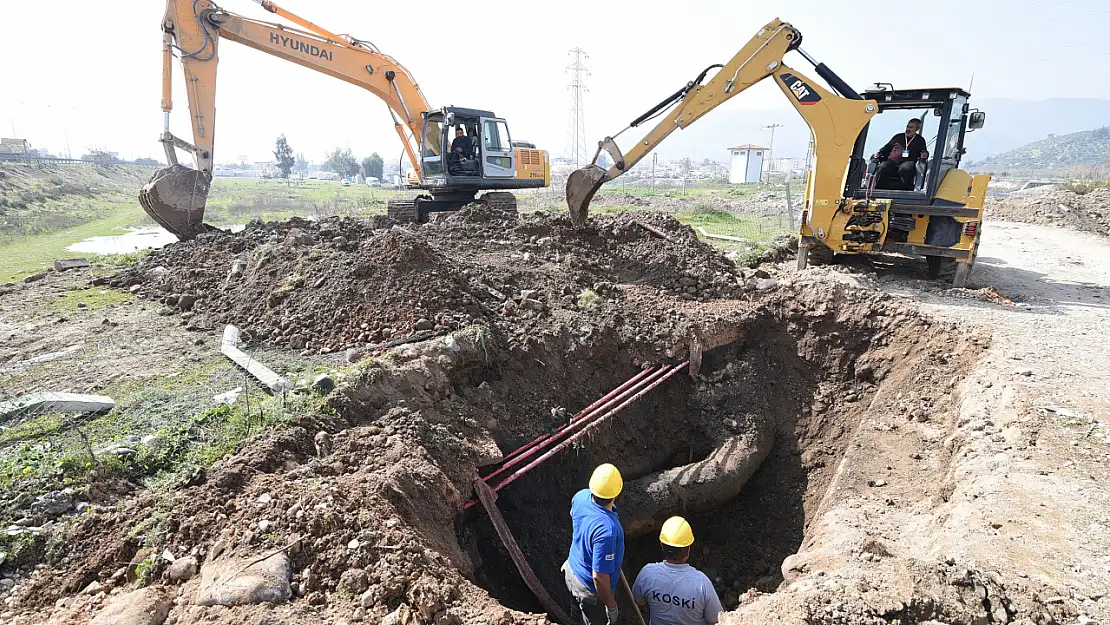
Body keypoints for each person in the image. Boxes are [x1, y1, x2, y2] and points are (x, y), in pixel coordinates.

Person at [562, 463, 625, 625]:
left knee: (575, 618)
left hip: (572, 571)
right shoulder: (607, 530)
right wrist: (611, 606)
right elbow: (599, 577)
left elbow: (577, 518)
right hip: (589, 590)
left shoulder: (580, 497)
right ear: (616, 493)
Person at [632, 516, 723, 625]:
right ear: (688, 550)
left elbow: (639, 601)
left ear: (661, 545)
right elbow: (716, 620)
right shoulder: (701, 583)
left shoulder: (647, 574)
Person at [874, 118, 928, 190]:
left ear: (917, 128)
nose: (908, 129)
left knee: (907, 168)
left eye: (911, 127)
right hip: (892, 162)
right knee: (883, 166)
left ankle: (904, 190)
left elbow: (924, 151)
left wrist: (924, 154)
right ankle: (878, 189)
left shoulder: (920, 140)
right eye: (907, 126)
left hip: (907, 162)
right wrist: (879, 153)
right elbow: (887, 147)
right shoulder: (898, 137)